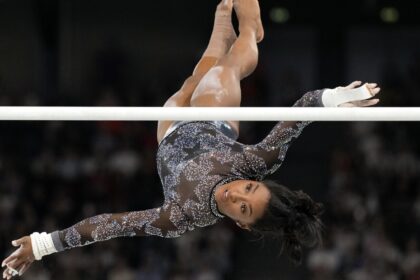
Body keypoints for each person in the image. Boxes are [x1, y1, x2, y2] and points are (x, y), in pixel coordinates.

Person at [1, 0, 381, 278]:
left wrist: (43, 244)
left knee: (195, 78)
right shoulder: (258, 161)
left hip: (169, 132)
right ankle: (250, 31)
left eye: (242, 207)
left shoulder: (183, 217)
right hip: (215, 121)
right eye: (249, 189)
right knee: (221, 76)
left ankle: (222, 32)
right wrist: (336, 97)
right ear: (254, 179)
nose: (236, 194)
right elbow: (301, 111)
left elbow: (110, 225)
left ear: (241, 225)